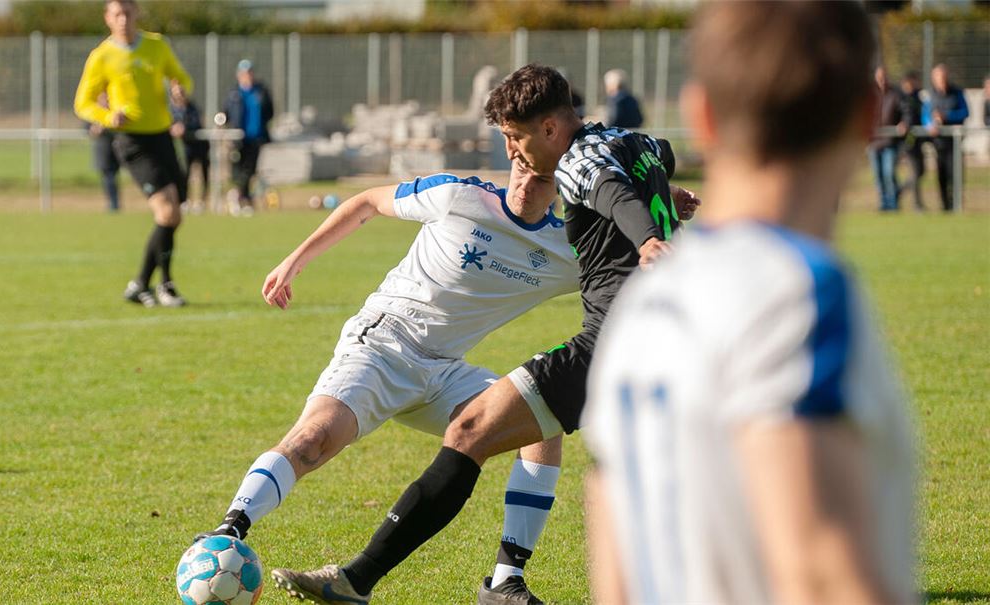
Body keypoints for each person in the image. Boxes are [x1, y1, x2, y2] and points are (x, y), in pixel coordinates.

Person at [270, 63, 700, 605]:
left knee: (473, 429)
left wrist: (646, 239)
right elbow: (658, 157)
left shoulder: (575, 163)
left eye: (517, 139)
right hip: (660, 334)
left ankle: (359, 580)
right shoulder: (630, 140)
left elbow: (611, 192)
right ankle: (494, 583)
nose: (515, 155)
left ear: (550, 128)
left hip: (614, 344)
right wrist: (668, 194)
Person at [583, 2, 916, 603]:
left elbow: (615, 548)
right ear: (869, 118)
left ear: (700, 114)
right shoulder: (795, 292)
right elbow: (820, 571)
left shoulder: (642, 302)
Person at [197, 160, 582, 605]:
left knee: (542, 422)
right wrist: (295, 260)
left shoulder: (563, 249)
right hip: (381, 345)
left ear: (562, 186)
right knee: (312, 441)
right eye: (520, 168)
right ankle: (230, 528)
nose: (525, 184)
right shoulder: (460, 196)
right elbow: (366, 202)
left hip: (444, 371)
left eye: (541, 178)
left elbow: (631, 258)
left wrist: (662, 208)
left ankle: (504, 581)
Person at [74, 0, 192, 307]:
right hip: (132, 142)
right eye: (117, 14)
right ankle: (164, 285)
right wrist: (108, 115)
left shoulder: (156, 46)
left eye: (127, 12)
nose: (123, 19)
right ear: (107, 18)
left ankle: (141, 284)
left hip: (163, 138)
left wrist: (181, 91)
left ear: (136, 14)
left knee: (175, 213)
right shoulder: (102, 56)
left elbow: (181, 78)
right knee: (166, 212)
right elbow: (82, 103)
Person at [224, 59, 274, 216]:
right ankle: (241, 197)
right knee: (239, 171)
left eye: (249, 72)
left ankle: (242, 198)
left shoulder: (261, 91)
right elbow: (226, 112)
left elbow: (269, 111)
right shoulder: (234, 93)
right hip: (239, 138)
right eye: (244, 73)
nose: (247, 76)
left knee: (250, 170)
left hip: (256, 137)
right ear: (239, 75)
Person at [922, 63, 969, 212]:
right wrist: (929, 124)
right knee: (941, 176)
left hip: (954, 143)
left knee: (955, 175)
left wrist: (947, 116)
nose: (940, 80)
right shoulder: (931, 95)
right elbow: (925, 115)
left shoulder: (957, 93)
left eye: (942, 77)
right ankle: (945, 206)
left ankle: (957, 205)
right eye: (937, 77)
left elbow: (965, 112)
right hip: (939, 143)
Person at [170, 87, 210, 213]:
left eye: (181, 93)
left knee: (203, 174)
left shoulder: (192, 108)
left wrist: (184, 127)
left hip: (199, 145)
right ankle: (184, 200)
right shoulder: (170, 111)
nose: (180, 97)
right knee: (184, 175)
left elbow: (196, 122)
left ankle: (201, 201)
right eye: (176, 95)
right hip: (184, 147)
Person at [869, 66, 903, 211]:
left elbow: (905, 111)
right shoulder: (870, 95)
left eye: (884, 77)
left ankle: (893, 204)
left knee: (889, 173)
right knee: (878, 176)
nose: (882, 80)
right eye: (879, 77)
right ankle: (883, 204)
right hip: (874, 142)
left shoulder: (896, 94)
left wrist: (904, 123)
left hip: (890, 140)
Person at [898, 71, 926, 211]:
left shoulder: (917, 97)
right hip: (908, 142)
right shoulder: (903, 99)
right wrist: (905, 124)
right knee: (915, 173)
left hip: (918, 140)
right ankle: (917, 205)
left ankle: (899, 190)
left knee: (920, 172)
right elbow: (906, 116)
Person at [89, 92, 121, 213]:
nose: (105, 101)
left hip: (116, 149)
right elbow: (86, 128)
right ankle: (112, 203)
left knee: (111, 177)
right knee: (107, 178)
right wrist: (94, 130)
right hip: (102, 151)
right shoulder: (94, 113)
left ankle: (114, 203)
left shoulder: (115, 113)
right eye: (103, 99)